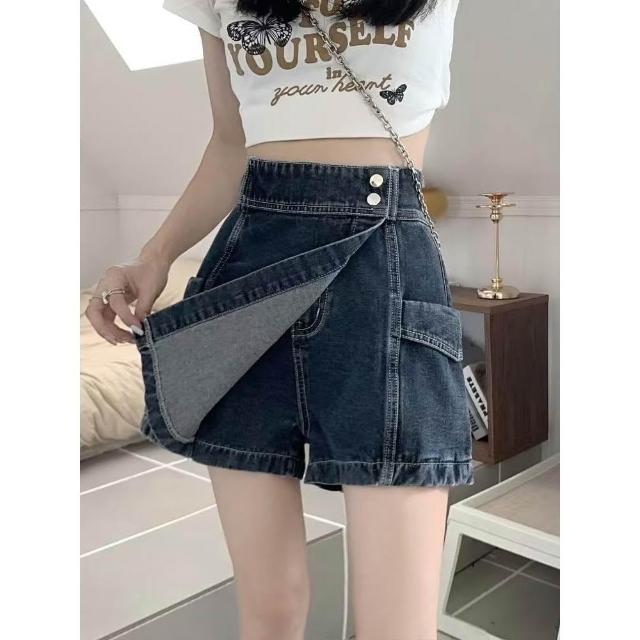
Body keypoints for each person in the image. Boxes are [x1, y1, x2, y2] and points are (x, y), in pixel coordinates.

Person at [85, 1, 472, 638]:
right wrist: (154, 256)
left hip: (384, 271)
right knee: (270, 609)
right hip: (249, 270)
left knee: (396, 626)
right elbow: (230, 143)